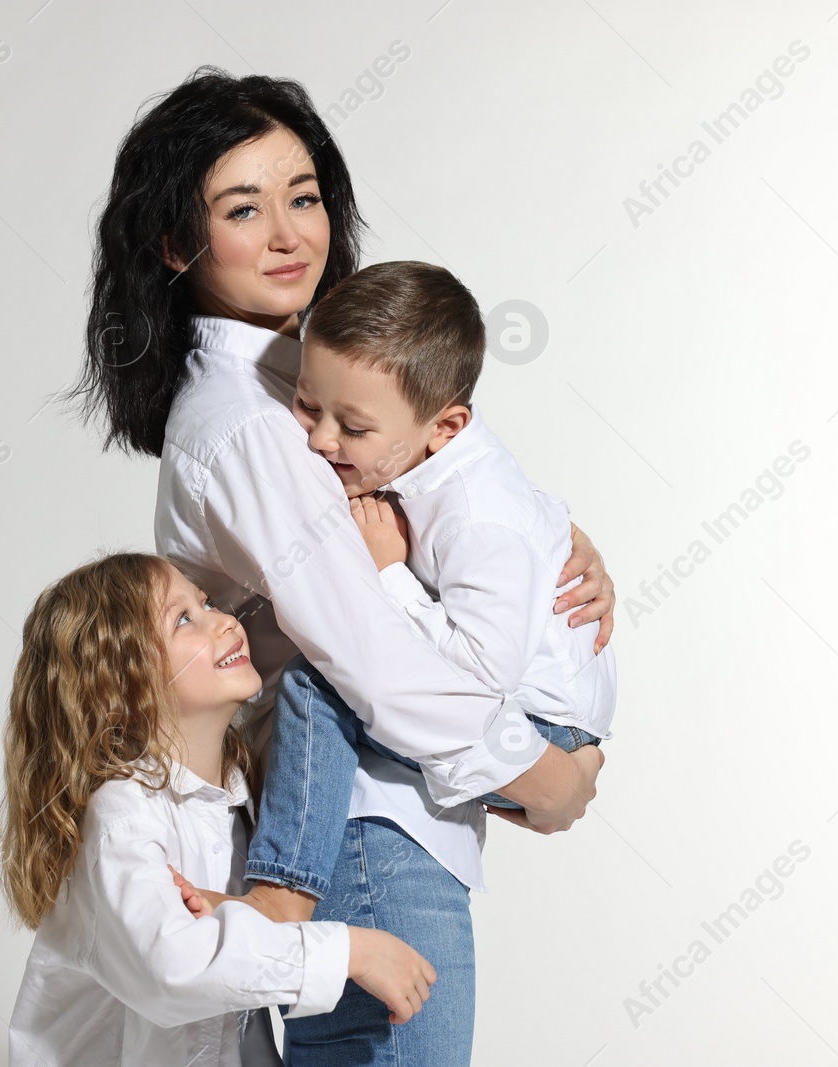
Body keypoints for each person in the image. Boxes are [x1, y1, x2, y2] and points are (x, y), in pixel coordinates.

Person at [67, 66, 616, 1065]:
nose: (289, 234)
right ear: (177, 243)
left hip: (381, 824)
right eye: (244, 208)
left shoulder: (309, 376)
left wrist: (556, 545)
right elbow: (374, 662)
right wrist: (543, 778)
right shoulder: (249, 424)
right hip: (359, 829)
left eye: (305, 196)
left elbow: (454, 501)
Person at [176, 258, 618, 932]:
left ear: (445, 426)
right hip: (520, 703)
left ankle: (282, 891)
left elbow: (478, 672)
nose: (320, 440)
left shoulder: (475, 514)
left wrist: (391, 576)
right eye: (305, 405)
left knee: (316, 684)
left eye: (351, 429)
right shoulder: (420, 446)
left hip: (534, 714)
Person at [0, 551, 437, 1066]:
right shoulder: (122, 814)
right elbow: (172, 967)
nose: (226, 620)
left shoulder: (239, 799)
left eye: (205, 604)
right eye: (184, 619)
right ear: (122, 684)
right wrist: (350, 951)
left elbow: (236, 1033)